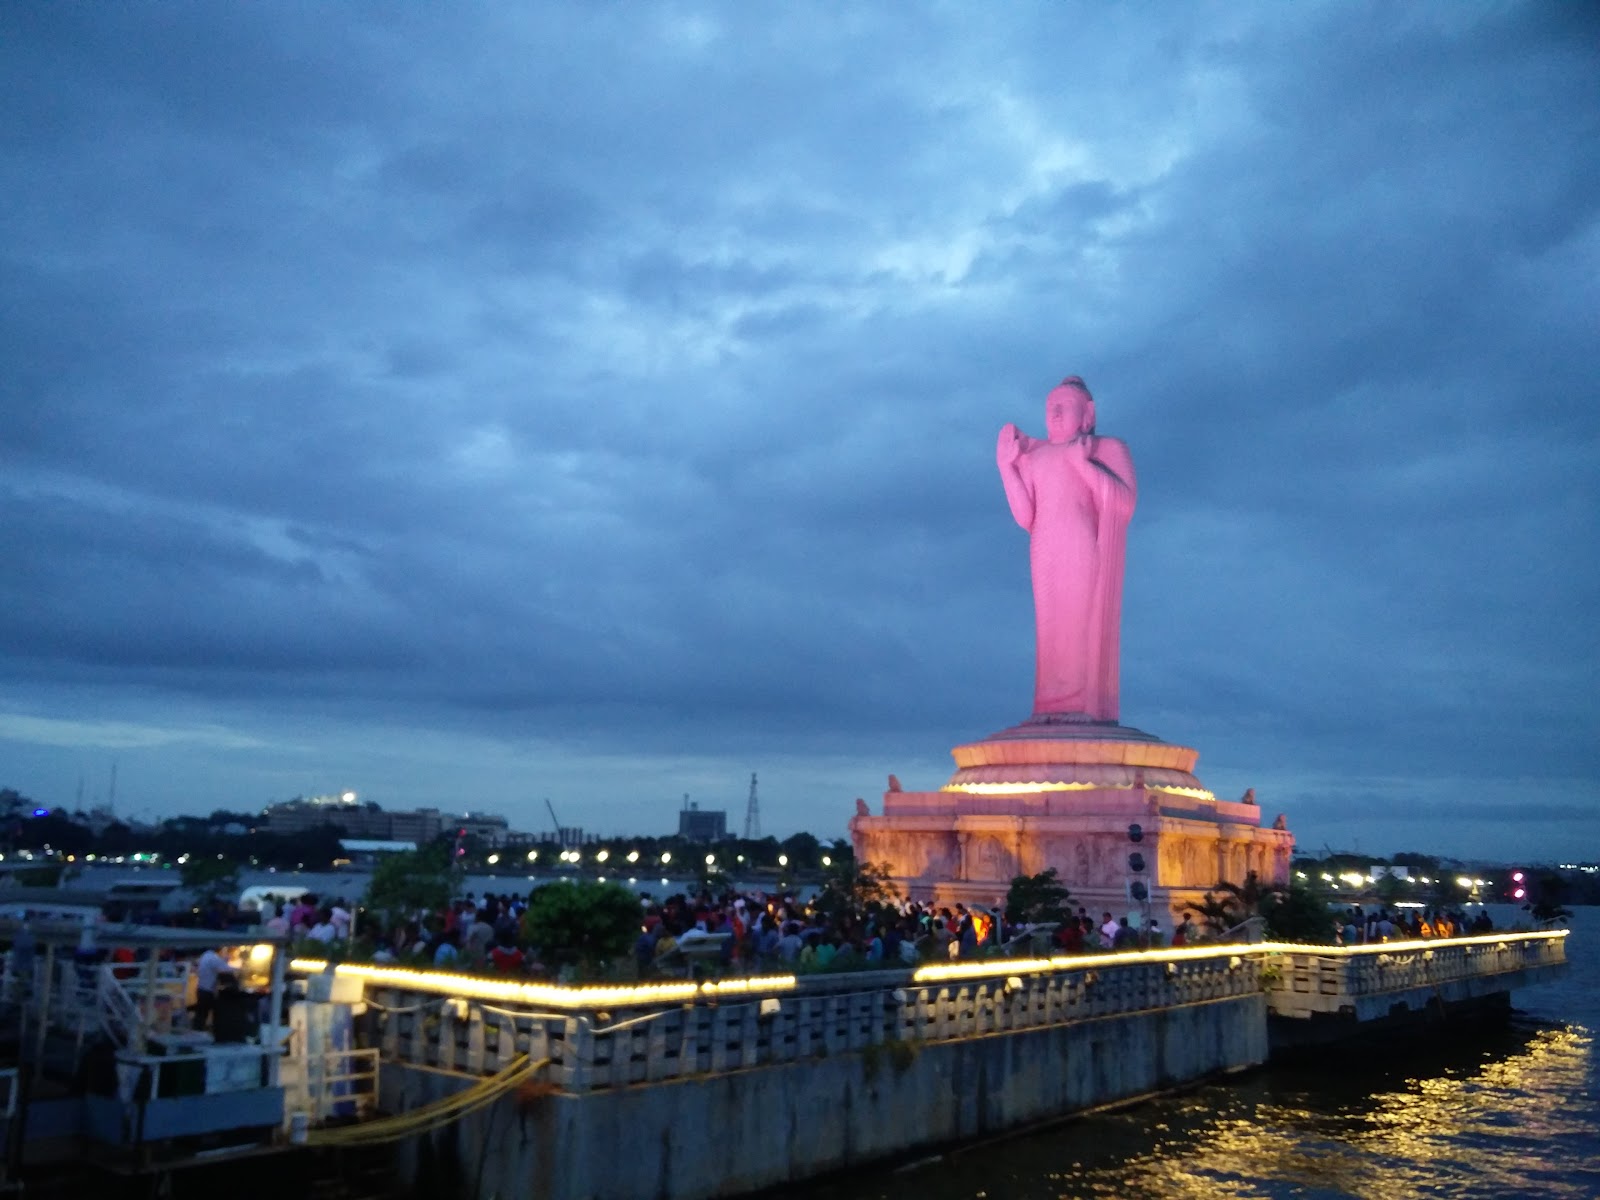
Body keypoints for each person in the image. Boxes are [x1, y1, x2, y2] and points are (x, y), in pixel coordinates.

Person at [997, 377, 1137, 720]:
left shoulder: (1106, 449)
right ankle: (1050, 703)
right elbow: (1025, 515)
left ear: (1088, 414)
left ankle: (1084, 702)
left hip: (1082, 547)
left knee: (1080, 622)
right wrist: (1006, 468)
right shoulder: (1035, 456)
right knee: (1050, 630)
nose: (1056, 414)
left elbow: (1124, 503)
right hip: (1044, 548)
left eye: (1065, 407)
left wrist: (1083, 465)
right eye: (1050, 408)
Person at [193, 945, 227, 1031]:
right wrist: (241, 969)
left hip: (201, 988)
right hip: (208, 990)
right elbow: (224, 969)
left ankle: (198, 1030)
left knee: (201, 1012)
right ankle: (203, 1030)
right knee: (209, 1012)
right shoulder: (213, 958)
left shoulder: (205, 956)